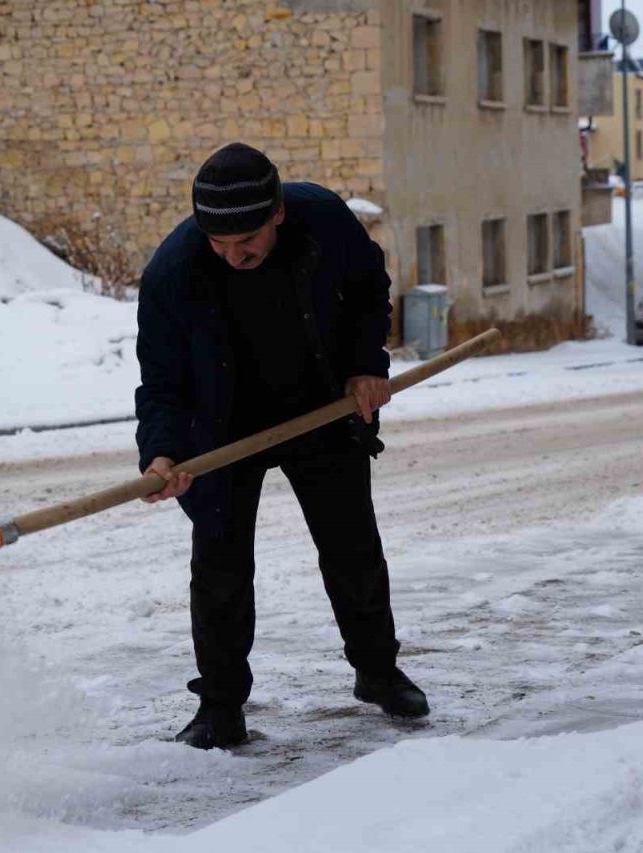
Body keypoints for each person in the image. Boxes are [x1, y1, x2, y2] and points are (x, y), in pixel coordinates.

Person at [134, 142, 429, 749]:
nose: (232, 255)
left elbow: (368, 289)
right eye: (218, 243)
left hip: (320, 407)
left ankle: (378, 671)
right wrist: (162, 451)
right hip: (220, 428)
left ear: (277, 214)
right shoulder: (174, 270)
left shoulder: (323, 219)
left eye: (246, 240)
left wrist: (366, 365)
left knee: (351, 545)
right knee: (219, 565)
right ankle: (220, 706)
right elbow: (161, 378)